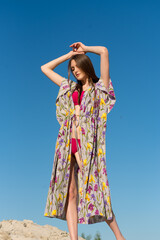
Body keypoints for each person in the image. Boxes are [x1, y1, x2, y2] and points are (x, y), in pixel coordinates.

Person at [41, 42, 126, 240]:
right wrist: (69, 55)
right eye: (72, 69)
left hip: (90, 148)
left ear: (86, 65)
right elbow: (45, 68)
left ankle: (119, 236)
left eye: (77, 66)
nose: (75, 70)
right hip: (67, 145)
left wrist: (85, 48)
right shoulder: (70, 88)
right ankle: (74, 238)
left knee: (99, 191)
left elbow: (104, 51)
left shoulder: (100, 89)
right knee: (70, 192)